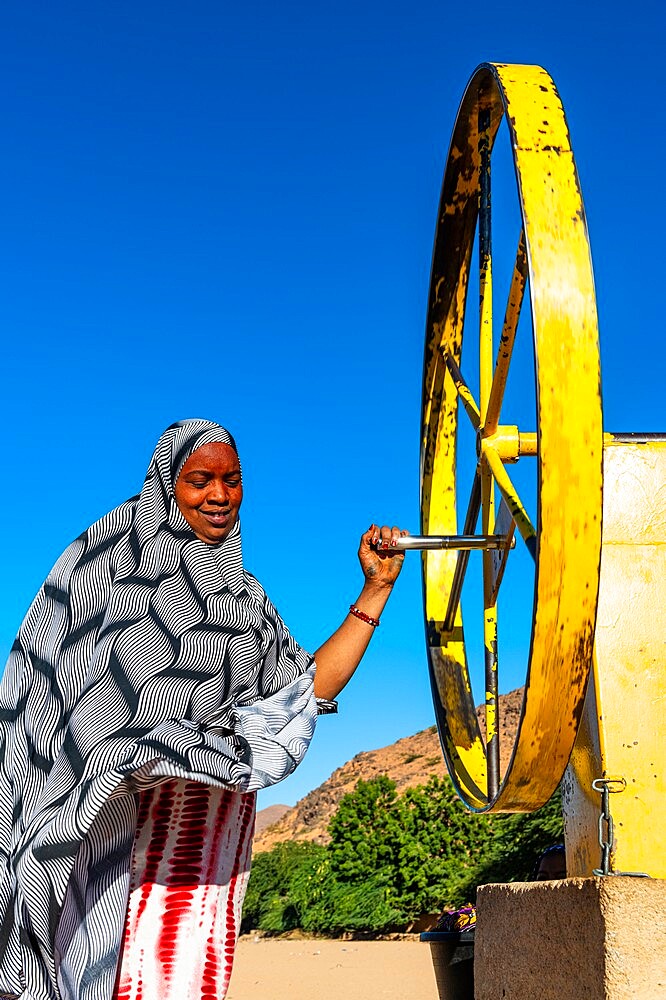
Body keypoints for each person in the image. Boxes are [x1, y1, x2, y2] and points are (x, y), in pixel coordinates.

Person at [0, 419, 407, 1000]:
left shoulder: (245, 599)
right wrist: (143, 744)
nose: (220, 495)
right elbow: (54, 699)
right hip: (112, 831)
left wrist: (376, 589)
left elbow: (303, 693)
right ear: (167, 483)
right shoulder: (107, 568)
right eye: (200, 480)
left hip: (208, 841)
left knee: (183, 979)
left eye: (233, 480)